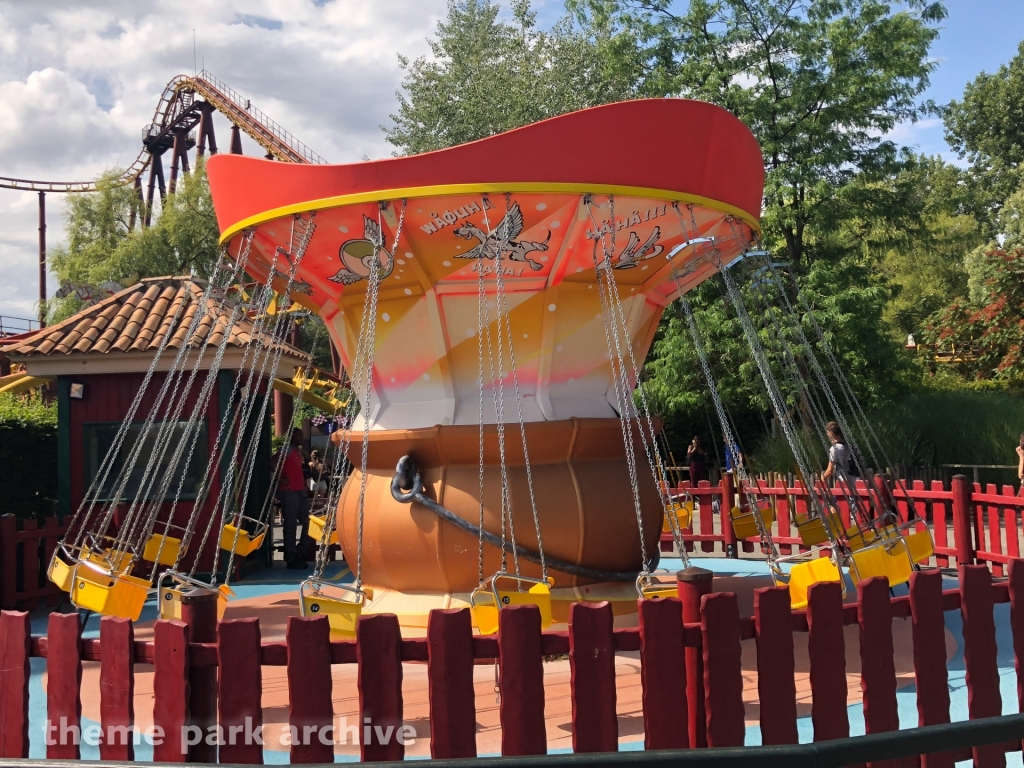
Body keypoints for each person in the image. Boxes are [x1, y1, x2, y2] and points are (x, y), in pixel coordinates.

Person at [273, 427, 312, 569]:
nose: (301, 437)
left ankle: (299, 551)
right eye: (298, 435)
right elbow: (272, 462)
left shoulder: (297, 452)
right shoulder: (287, 449)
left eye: (302, 435)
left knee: (308, 522)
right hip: (289, 491)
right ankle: (291, 556)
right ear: (292, 437)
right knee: (290, 524)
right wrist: (281, 478)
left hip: (299, 490)